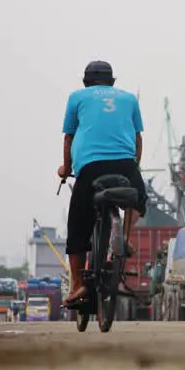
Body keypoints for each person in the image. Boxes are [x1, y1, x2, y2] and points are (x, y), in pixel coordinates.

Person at [57, 61, 148, 306]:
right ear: (112, 82)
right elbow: (138, 139)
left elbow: (69, 137)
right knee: (139, 200)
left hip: (90, 167)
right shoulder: (129, 99)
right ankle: (123, 236)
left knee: (77, 227)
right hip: (125, 165)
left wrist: (66, 168)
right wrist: (133, 166)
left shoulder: (77, 97)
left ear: (86, 82)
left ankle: (77, 285)